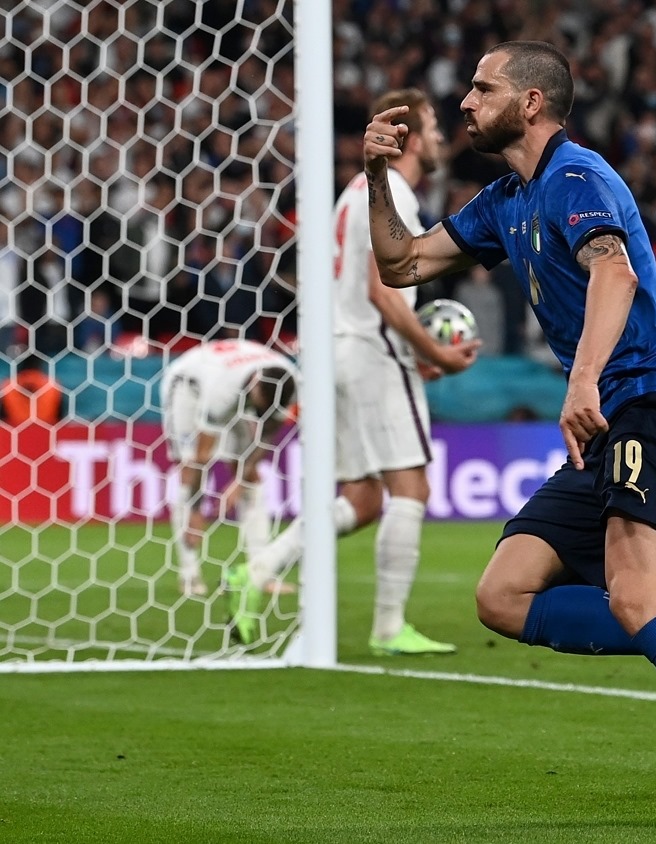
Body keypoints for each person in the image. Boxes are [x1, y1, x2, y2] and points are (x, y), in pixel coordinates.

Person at [365, 41, 656, 820]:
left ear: (531, 102)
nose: (466, 101)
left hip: (655, 402)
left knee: (636, 595)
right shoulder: (506, 198)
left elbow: (615, 270)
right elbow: (402, 265)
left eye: (483, 88)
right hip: (606, 416)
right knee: (502, 596)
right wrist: (375, 176)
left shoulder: (578, 177)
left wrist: (582, 378)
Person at [241, 88, 480, 656]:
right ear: (411, 138)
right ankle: (389, 628)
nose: (441, 140)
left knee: (364, 498)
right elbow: (383, 290)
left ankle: (258, 569)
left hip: (334, 352)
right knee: (411, 486)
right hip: (371, 351)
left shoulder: (355, 192)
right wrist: (437, 352)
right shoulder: (393, 193)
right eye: (434, 129)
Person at [159, 338, 297, 642]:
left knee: (250, 477)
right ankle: (189, 574)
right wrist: (197, 510)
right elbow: (202, 456)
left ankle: (262, 572)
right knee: (188, 468)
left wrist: (240, 481)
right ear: (255, 388)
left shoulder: (289, 383)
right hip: (189, 385)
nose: (261, 413)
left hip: (235, 379)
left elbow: (267, 436)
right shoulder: (221, 392)